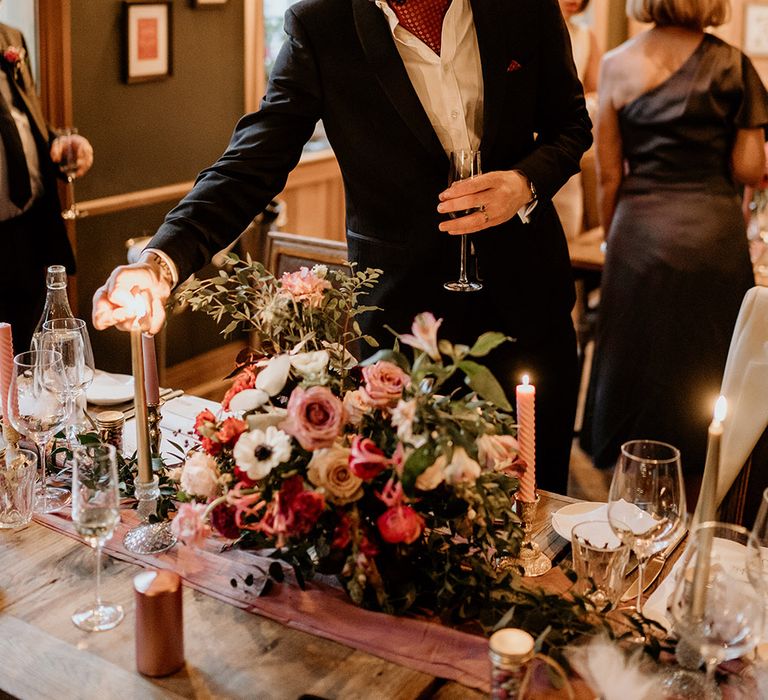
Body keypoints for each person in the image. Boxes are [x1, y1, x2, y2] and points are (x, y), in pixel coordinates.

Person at [93, 0, 592, 495]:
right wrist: (161, 262)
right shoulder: (321, 24)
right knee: (414, 510)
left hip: (529, 308)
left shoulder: (524, 7)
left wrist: (526, 182)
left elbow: (571, 126)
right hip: (403, 327)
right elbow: (251, 164)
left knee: (538, 502)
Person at [589, 0, 768, 502]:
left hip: (638, 232)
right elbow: (749, 169)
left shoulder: (617, 63)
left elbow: (607, 175)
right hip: (712, 233)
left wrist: (614, 238)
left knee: (636, 362)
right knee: (709, 362)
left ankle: (627, 490)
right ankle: (706, 483)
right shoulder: (734, 64)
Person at [0, 21, 93, 350]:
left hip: (24, 234)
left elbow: (24, 119)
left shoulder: (10, 38)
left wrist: (58, 143)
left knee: (27, 355)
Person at [552, 0, 601, 240]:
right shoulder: (523, 30)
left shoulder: (584, 36)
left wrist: (580, 108)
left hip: (566, 143)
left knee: (567, 231)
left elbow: (595, 92)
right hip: (526, 145)